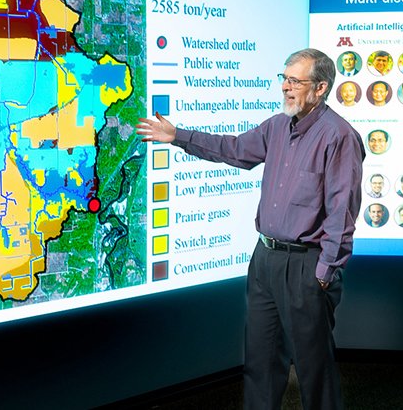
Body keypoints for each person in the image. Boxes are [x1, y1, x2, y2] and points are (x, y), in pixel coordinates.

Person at [137, 48, 363, 410]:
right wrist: (177, 135)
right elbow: (234, 149)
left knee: (313, 370)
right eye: (284, 79)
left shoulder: (338, 136)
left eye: (296, 81)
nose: (286, 88)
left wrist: (323, 275)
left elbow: (342, 212)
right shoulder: (276, 126)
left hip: (305, 266)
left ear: (320, 88)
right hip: (265, 262)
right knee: (260, 364)